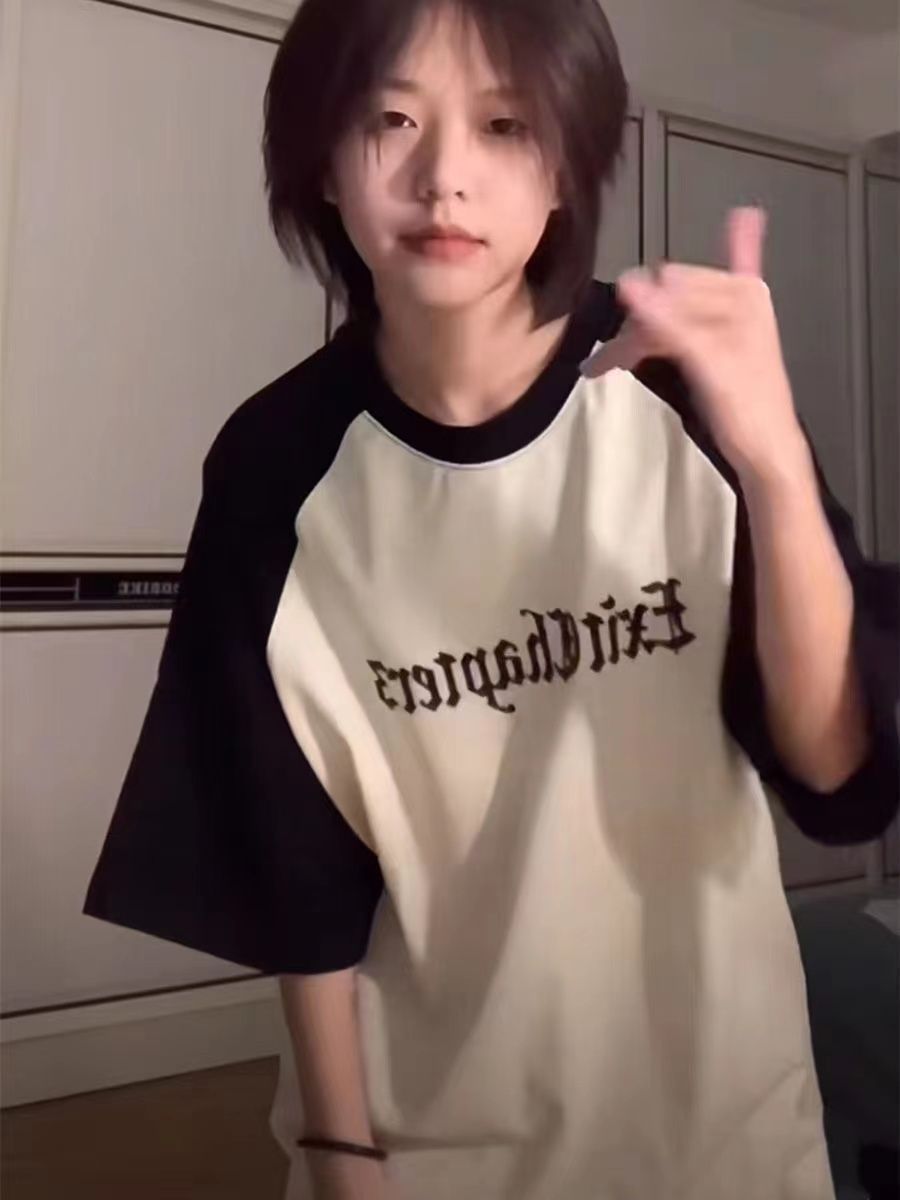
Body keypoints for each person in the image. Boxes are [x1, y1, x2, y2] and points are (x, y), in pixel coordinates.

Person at [82, 1, 900, 1197]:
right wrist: (341, 1150)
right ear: (323, 161)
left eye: (505, 125)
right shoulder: (274, 466)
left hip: (724, 1130)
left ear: (566, 167)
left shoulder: (680, 386)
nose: (444, 177)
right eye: (391, 120)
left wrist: (773, 461)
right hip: (426, 1148)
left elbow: (836, 773)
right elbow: (289, 858)